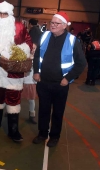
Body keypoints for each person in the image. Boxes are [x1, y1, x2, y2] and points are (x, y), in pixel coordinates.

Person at [32, 11, 87, 147]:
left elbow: (81, 63)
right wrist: (36, 71)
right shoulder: (44, 36)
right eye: (52, 22)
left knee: (58, 112)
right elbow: (37, 55)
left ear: (64, 26)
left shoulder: (72, 40)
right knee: (43, 110)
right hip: (43, 82)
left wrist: (68, 78)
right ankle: (42, 133)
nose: (53, 25)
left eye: (57, 23)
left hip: (60, 85)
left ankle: (54, 136)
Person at [0, 1, 33, 142]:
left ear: (10, 15)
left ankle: (13, 130)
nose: (2, 17)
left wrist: (16, 53)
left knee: (13, 99)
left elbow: (28, 43)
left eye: (5, 14)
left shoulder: (19, 27)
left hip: (13, 72)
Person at [22, 18, 42, 124]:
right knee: (18, 95)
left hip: (30, 78)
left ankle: (31, 114)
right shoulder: (27, 51)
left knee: (30, 98)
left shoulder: (35, 54)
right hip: (25, 77)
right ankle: (10, 111)